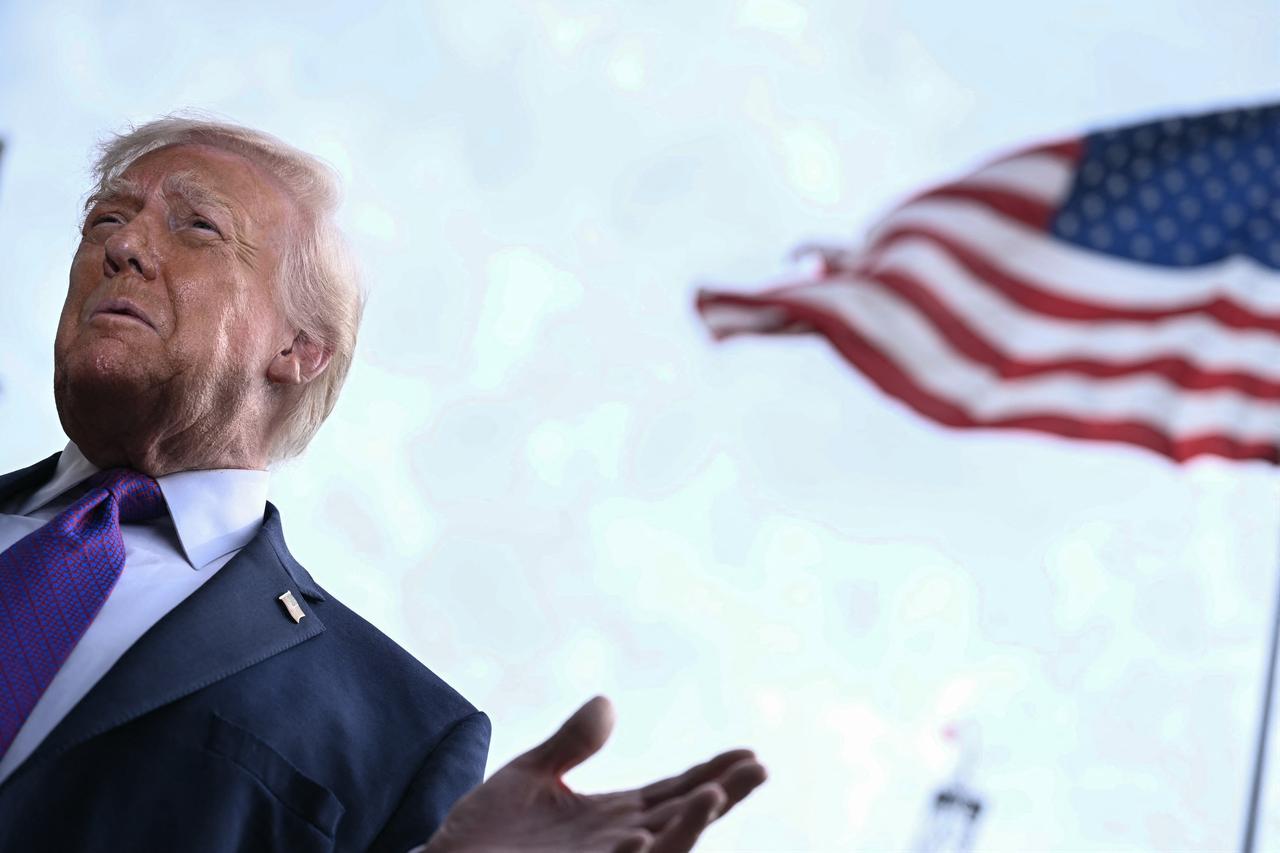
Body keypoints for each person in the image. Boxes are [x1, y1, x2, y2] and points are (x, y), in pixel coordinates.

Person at [0, 117, 766, 852]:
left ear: (300, 347)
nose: (123, 246)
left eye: (197, 226)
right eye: (105, 219)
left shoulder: (402, 731)